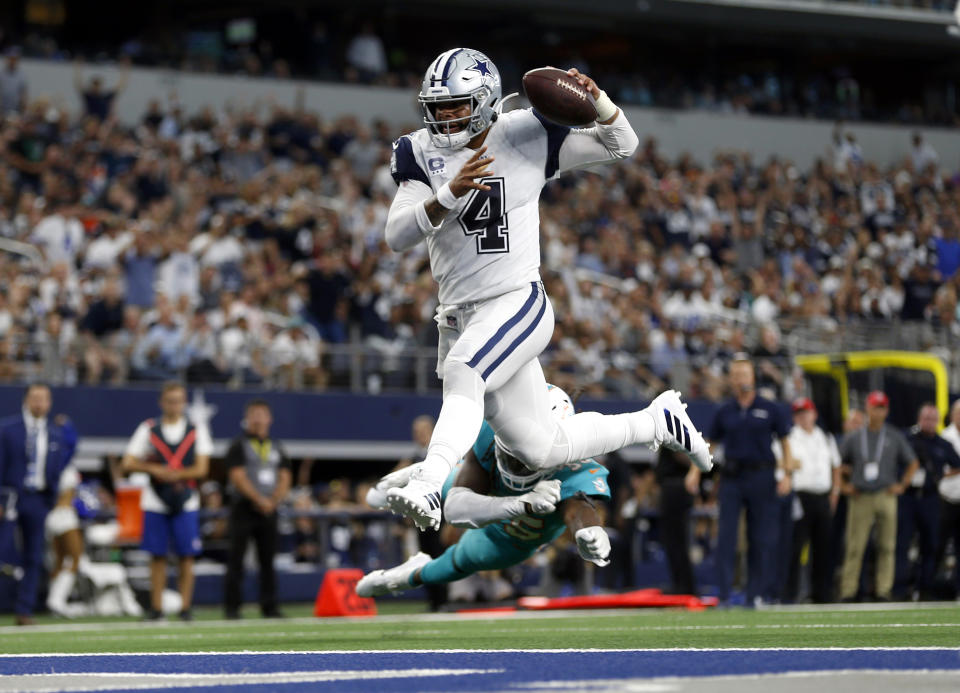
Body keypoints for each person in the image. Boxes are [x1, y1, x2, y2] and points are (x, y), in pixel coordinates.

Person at [378, 48, 710, 531]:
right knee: (541, 447)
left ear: (488, 101)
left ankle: (430, 483)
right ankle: (655, 422)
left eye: (458, 106)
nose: (446, 119)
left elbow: (623, 143)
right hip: (460, 314)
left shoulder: (527, 133)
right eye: (439, 108)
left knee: (464, 370)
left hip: (516, 300)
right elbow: (395, 235)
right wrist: (447, 195)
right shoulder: (419, 151)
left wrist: (599, 102)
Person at [357, 385, 611, 597]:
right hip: (487, 492)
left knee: (454, 565)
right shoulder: (490, 432)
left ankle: (403, 577)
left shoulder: (574, 466)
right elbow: (457, 505)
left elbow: (577, 508)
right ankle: (423, 474)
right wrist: (522, 502)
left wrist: (588, 529)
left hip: (511, 537)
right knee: (451, 481)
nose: (522, 458)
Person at [686, 358, 794, 605]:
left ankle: (755, 594)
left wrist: (787, 474)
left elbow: (785, 443)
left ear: (753, 377)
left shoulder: (769, 407)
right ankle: (723, 595)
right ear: (731, 379)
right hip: (733, 477)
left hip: (762, 476)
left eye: (744, 373)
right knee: (726, 536)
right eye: (735, 374)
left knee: (760, 537)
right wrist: (694, 471)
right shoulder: (724, 411)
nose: (740, 378)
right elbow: (708, 444)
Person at [121, 382, 211, 620]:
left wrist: (176, 474)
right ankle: (157, 607)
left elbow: (202, 468)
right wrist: (154, 469)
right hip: (155, 499)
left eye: (178, 400)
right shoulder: (148, 429)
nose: (174, 405)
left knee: (186, 556)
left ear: (184, 403)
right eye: (170, 400)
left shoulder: (196, 430)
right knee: (157, 555)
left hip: (186, 500)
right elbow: (127, 462)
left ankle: (185, 607)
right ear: (162, 402)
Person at [0, 384, 77, 625]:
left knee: (34, 555)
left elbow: (58, 466)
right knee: (2, 551)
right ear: (25, 400)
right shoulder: (7, 429)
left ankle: (24, 610)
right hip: (11, 496)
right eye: (34, 398)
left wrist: (51, 496)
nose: (39, 403)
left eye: (43, 398)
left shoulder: (55, 433)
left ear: (50, 402)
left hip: (38, 499)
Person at [838, 390, 919, 602]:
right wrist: (844, 486)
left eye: (882, 407)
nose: (879, 411)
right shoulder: (855, 436)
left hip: (886, 495)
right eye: (875, 407)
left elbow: (912, 462)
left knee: (887, 546)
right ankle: (849, 590)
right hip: (861, 496)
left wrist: (902, 484)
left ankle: (884, 590)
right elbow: (837, 463)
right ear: (868, 408)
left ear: (887, 410)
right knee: (855, 546)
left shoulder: (893, 435)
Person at [223, 399, 291, 619]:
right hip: (243, 507)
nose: (258, 419)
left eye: (262, 414)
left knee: (268, 560)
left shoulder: (277, 446)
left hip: (269, 509)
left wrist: (273, 500)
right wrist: (258, 499)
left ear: (269, 418)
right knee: (236, 558)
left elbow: (285, 476)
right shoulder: (238, 445)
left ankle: (269, 606)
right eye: (254, 414)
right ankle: (233, 608)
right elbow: (237, 476)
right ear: (247, 418)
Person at [897, 403, 960, 600]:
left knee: (931, 546)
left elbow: (957, 465)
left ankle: (926, 589)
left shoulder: (942, 444)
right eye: (926, 418)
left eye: (933, 419)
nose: (929, 422)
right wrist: (903, 480)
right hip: (909, 497)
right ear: (919, 418)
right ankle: (900, 590)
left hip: (931, 498)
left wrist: (940, 476)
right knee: (902, 544)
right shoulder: (907, 438)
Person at [784, 397, 841, 603]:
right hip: (800, 496)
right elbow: (783, 465)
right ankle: (790, 594)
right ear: (794, 417)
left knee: (824, 548)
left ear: (814, 414)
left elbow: (836, 467)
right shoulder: (789, 438)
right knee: (795, 547)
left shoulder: (826, 437)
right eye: (799, 413)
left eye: (806, 412)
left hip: (823, 497)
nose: (804, 417)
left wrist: (835, 493)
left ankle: (822, 594)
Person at [658, 447, 696, 595]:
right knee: (672, 541)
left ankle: (684, 586)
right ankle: (679, 583)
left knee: (676, 540)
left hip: (676, 486)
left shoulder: (674, 430)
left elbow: (683, 455)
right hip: (671, 486)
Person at [938, 399, 960, 597]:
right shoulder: (944, 437)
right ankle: (931, 589)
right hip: (945, 499)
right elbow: (939, 471)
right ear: (952, 415)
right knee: (938, 546)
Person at [0, 47, 27, 116]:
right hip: (2, 110)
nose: (12, 61)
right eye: (11, 59)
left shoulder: (22, 76)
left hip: (16, 111)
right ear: (7, 59)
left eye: (15, 59)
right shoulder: (2, 75)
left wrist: (22, 111)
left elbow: (23, 94)